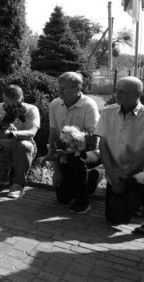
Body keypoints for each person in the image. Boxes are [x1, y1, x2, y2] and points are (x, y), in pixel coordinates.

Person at [96, 76, 144, 236]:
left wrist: (122, 176)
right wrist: (112, 176)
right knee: (114, 218)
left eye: (123, 92)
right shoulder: (107, 112)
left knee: (135, 181)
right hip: (115, 171)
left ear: (138, 94)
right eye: (116, 90)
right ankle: (134, 203)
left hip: (141, 168)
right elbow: (103, 146)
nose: (118, 94)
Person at [37, 72, 101, 214]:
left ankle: (83, 203)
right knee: (63, 197)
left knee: (75, 158)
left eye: (63, 88)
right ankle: (93, 177)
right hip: (65, 152)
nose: (59, 91)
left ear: (77, 89)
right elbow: (53, 136)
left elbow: (93, 141)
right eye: (58, 87)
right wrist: (57, 171)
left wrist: (66, 151)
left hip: (92, 151)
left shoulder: (89, 105)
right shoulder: (55, 104)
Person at [0, 85, 40, 199]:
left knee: (23, 145)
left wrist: (11, 133)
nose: (10, 105)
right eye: (7, 102)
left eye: (15, 102)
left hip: (22, 146)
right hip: (1, 147)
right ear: (3, 97)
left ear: (22, 99)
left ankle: (18, 184)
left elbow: (32, 132)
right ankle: (6, 171)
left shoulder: (31, 109)